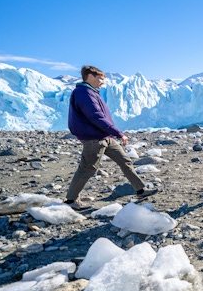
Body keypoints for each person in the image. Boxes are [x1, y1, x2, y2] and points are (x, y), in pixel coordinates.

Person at [65, 65, 157, 210]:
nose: (103, 82)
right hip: (94, 139)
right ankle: (71, 201)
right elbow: (96, 117)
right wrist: (118, 132)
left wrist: (112, 133)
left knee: (125, 161)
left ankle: (141, 190)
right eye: (100, 78)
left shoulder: (91, 92)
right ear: (90, 76)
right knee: (87, 169)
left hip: (105, 136)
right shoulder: (83, 93)